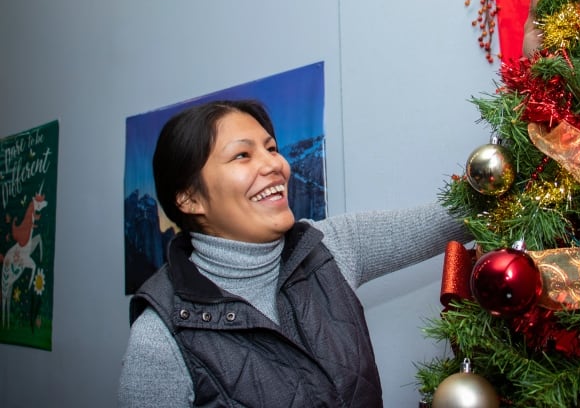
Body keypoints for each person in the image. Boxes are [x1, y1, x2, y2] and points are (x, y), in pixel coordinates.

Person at [117, 99, 472, 407]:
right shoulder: (160, 338)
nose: (275, 165)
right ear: (190, 199)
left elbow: (453, 218)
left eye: (271, 149)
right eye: (242, 155)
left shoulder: (328, 246)